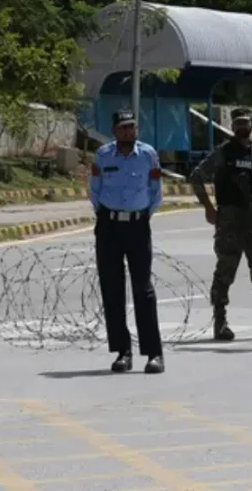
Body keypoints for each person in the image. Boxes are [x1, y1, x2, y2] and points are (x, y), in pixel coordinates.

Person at [189, 108, 252, 342]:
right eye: (237, 123)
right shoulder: (224, 153)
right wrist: (208, 207)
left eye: (245, 123)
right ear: (232, 127)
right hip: (231, 218)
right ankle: (220, 320)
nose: (241, 127)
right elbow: (196, 176)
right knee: (226, 269)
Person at [88, 109, 166, 374]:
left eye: (131, 127)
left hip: (137, 226)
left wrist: (142, 216)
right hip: (109, 226)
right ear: (114, 131)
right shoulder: (102, 155)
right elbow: (94, 190)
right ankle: (123, 351)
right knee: (112, 290)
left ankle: (154, 353)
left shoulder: (148, 155)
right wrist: (106, 215)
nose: (127, 132)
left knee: (143, 290)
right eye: (122, 128)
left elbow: (156, 193)